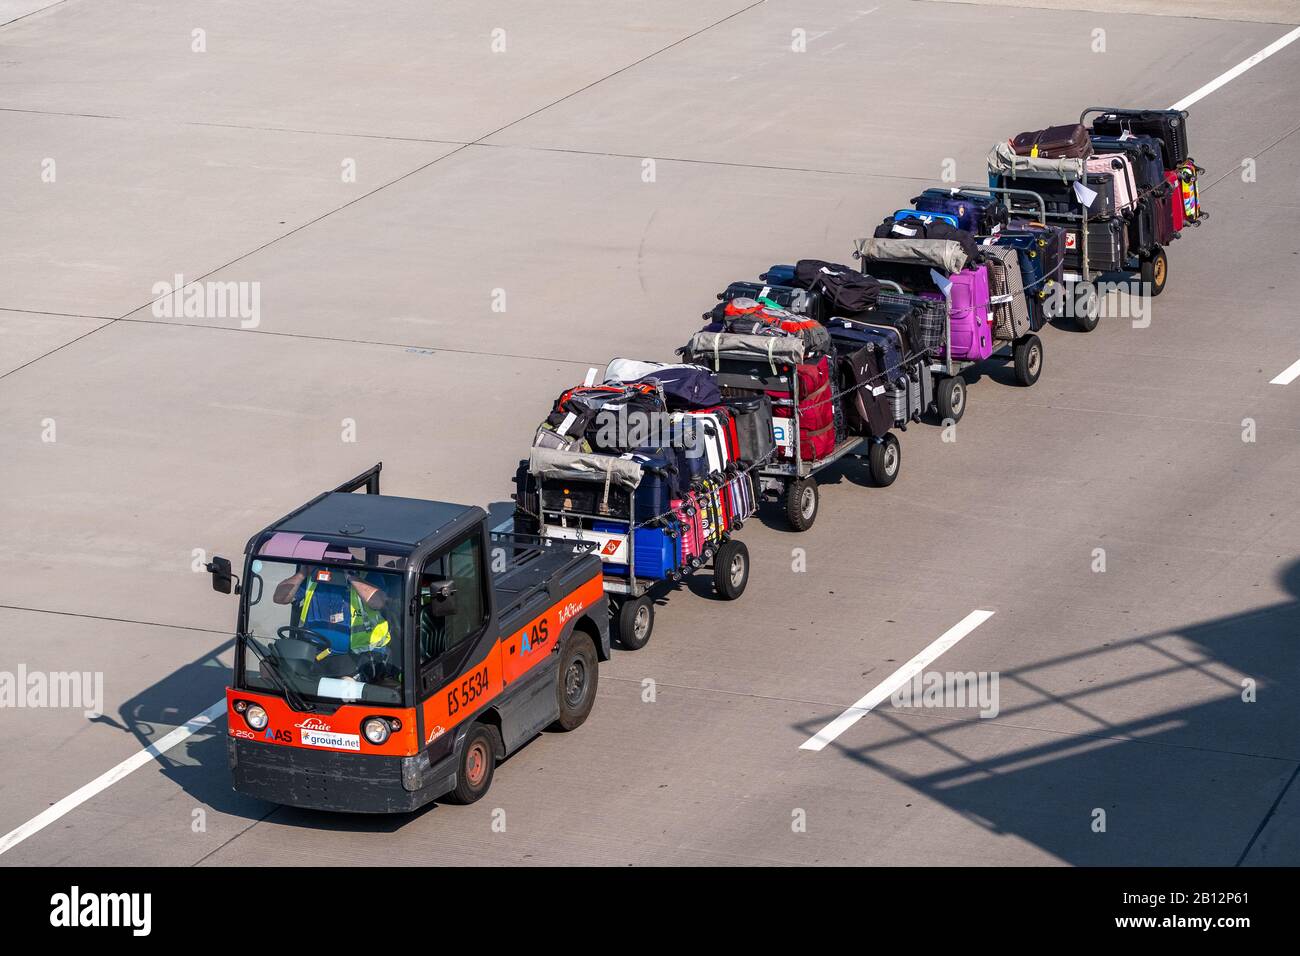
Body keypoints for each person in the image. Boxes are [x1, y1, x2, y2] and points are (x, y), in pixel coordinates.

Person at [273, 566, 391, 657]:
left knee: (345, 683)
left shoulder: (367, 575)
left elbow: (378, 602)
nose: (333, 562)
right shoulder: (314, 576)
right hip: (313, 652)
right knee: (267, 666)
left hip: (360, 655)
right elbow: (279, 598)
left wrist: (350, 575)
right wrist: (302, 573)